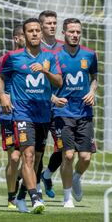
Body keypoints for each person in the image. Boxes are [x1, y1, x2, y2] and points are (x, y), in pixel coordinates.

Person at [0, 18, 62, 214]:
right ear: (24, 35)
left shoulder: (50, 57)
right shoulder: (13, 57)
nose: (34, 34)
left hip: (43, 114)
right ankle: (35, 197)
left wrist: (45, 70)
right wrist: (3, 96)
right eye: (30, 31)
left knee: (37, 158)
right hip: (22, 114)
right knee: (28, 156)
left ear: (41, 34)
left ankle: (21, 196)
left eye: (37, 30)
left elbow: (58, 82)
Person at [53, 18, 98, 208]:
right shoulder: (53, 56)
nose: (75, 35)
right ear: (63, 33)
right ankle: (66, 198)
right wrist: (53, 99)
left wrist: (92, 91)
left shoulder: (89, 54)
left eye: (78, 32)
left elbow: (94, 77)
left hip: (85, 112)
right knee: (68, 155)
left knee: (86, 157)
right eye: (71, 31)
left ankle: (77, 177)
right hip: (62, 113)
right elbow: (44, 84)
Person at [0, 24, 25, 209]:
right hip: (9, 117)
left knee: (30, 157)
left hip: (30, 116)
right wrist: (3, 96)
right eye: (26, 35)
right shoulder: (4, 60)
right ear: (17, 38)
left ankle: (30, 191)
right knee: (14, 159)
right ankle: (11, 197)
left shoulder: (38, 60)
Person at [38, 10, 65, 199]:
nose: (52, 26)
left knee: (65, 147)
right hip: (39, 106)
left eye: (54, 22)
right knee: (37, 149)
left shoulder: (65, 47)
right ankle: (36, 189)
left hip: (62, 108)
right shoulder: (33, 49)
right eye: (48, 23)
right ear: (40, 26)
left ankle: (46, 175)